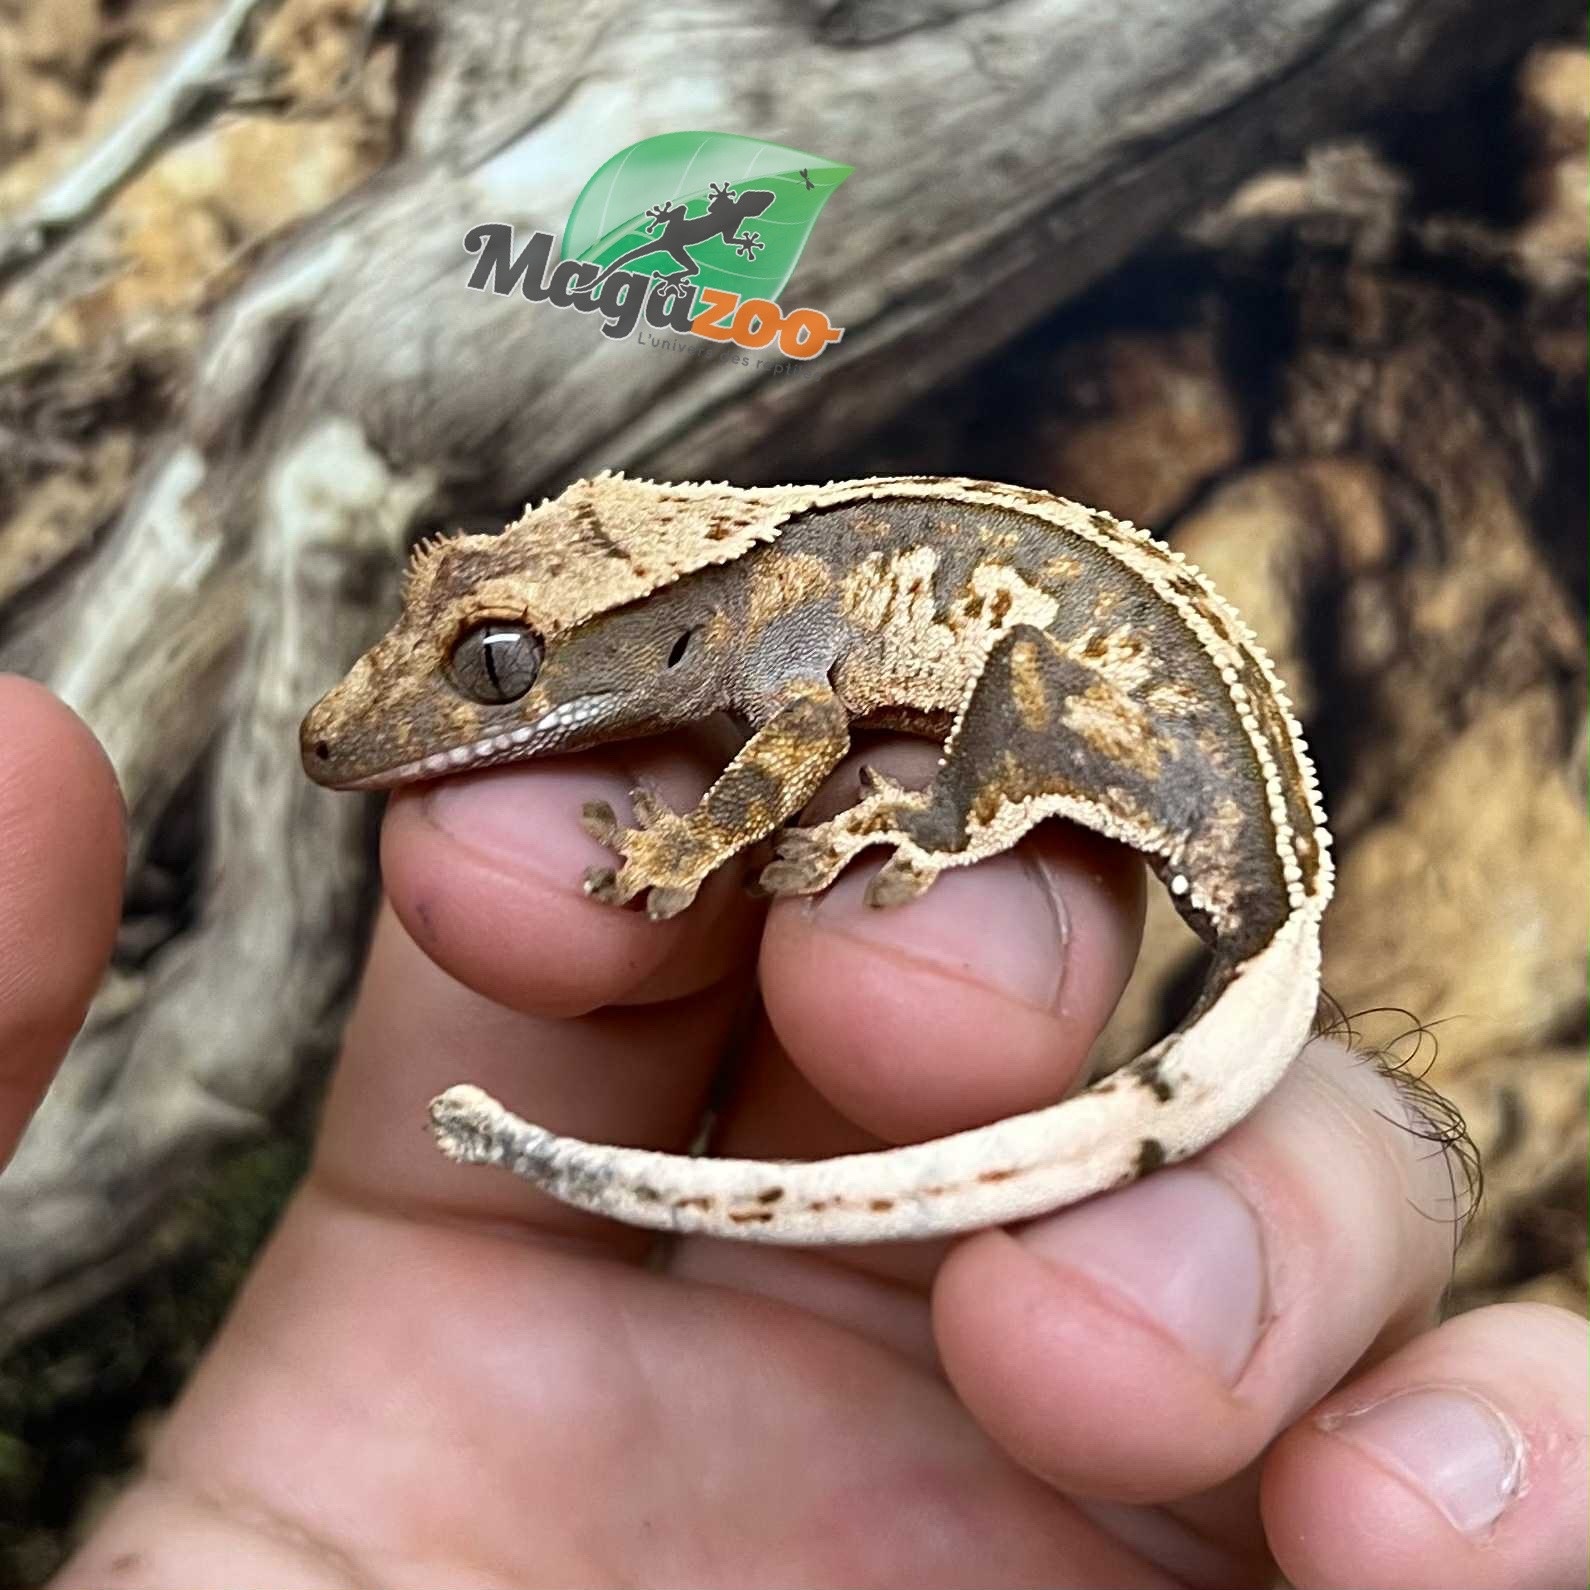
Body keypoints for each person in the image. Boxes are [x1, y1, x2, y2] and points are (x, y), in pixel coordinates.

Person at [5, 674, 1583, 1590]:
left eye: (491, 666)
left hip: (1170, 760)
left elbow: (800, 721)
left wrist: (718, 838)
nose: (409, 714)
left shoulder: (774, 627)